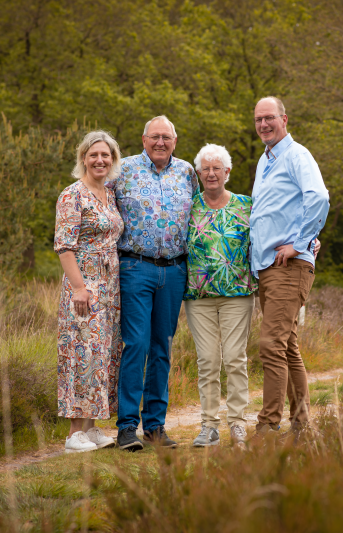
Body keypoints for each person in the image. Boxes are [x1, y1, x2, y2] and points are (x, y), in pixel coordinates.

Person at [110, 116, 200, 451]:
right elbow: (101, 206)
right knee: (137, 344)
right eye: (155, 137)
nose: (160, 142)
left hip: (175, 271)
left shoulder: (187, 172)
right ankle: (126, 428)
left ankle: (155, 427)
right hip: (136, 267)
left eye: (167, 137)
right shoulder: (123, 170)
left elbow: (201, 214)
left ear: (175, 141)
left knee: (163, 347)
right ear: (143, 139)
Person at [249, 96, 330, 441]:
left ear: (284, 119)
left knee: (270, 343)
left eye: (269, 118)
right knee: (287, 346)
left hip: (290, 264)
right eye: (258, 120)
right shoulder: (264, 160)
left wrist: (301, 241)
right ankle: (301, 425)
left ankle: (268, 424)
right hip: (268, 267)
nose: (264, 124)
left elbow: (319, 197)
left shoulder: (298, 155)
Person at [54, 130, 125, 453]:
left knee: (104, 355)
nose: (100, 160)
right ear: (83, 157)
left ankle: (93, 427)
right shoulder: (73, 195)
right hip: (84, 286)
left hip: (110, 288)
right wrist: (80, 287)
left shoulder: (108, 194)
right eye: (94, 155)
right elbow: (64, 246)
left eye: (105, 155)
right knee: (81, 354)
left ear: (113, 160)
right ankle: (73, 434)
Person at [184, 144, 255, 448]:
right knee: (208, 361)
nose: (211, 174)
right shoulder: (188, 207)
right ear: (198, 173)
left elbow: (275, 233)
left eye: (217, 168)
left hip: (237, 293)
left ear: (227, 172)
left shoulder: (246, 206)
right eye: (205, 168)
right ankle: (209, 426)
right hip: (198, 297)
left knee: (235, 359)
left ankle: (238, 422)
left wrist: (310, 241)